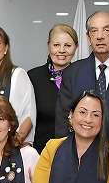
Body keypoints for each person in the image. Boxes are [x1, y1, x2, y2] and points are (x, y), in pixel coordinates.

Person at [55, 11, 109, 137]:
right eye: (94, 31)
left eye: (106, 30)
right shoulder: (73, 73)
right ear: (88, 38)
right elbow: (63, 119)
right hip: (81, 151)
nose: (99, 36)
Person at [28, 24, 79, 152]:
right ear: (48, 45)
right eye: (56, 45)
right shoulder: (33, 77)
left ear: (76, 47)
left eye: (67, 45)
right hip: (40, 151)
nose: (62, 50)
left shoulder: (82, 77)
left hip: (74, 152)